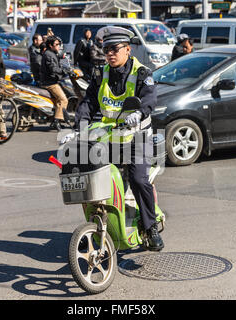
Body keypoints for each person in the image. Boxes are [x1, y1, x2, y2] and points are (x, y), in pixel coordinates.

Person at [72, 26, 164, 251]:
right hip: (112, 137)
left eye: (115, 49)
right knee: (93, 177)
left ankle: (150, 228)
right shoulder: (101, 73)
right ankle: (99, 227)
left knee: (138, 179)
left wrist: (139, 112)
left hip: (138, 136)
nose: (110, 54)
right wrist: (79, 127)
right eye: (106, 50)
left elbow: (149, 98)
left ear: (128, 50)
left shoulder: (142, 73)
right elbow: (88, 102)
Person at [40, 35, 68, 132]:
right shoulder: (48, 54)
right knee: (63, 100)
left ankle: (55, 120)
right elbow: (53, 68)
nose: (58, 46)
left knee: (58, 102)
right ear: (51, 45)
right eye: (56, 45)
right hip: (50, 83)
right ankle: (56, 121)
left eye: (59, 44)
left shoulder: (52, 53)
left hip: (52, 80)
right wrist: (64, 71)